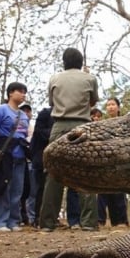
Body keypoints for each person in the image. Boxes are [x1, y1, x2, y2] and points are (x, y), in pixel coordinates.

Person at [39, 48, 99, 232]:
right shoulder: (89, 78)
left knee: (53, 173)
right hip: (82, 126)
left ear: (64, 61)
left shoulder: (55, 78)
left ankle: (47, 223)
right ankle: (88, 222)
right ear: (81, 62)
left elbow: (51, 103)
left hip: (59, 126)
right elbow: (93, 102)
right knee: (86, 172)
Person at [0, 82, 30, 232]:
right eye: (20, 91)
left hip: (20, 155)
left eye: (25, 92)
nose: (23, 94)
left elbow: (25, 134)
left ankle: (13, 221)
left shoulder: (23, 115)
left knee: (17, 189)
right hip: (5, 155)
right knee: (2, 187)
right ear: (11, 93)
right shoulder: (1, 110)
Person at [97, 97, 129, 228]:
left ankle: (120, 221)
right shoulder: (102, 124)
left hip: (120, 160)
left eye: (113, 104)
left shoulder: (124, 122)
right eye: (108, 105)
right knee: (102, 191)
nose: (110, 107)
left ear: (118, 107)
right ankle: (100, 220)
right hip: (105, 161)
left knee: (119, 191)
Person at [24, 106, 53, 228]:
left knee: (52, 189)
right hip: (41, 156)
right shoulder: (45, 113)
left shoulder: (68, 114)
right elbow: (39, 132)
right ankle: (37, 218)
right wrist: (57, 132)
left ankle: (51, 217)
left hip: (56, 157)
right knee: (40, 189)